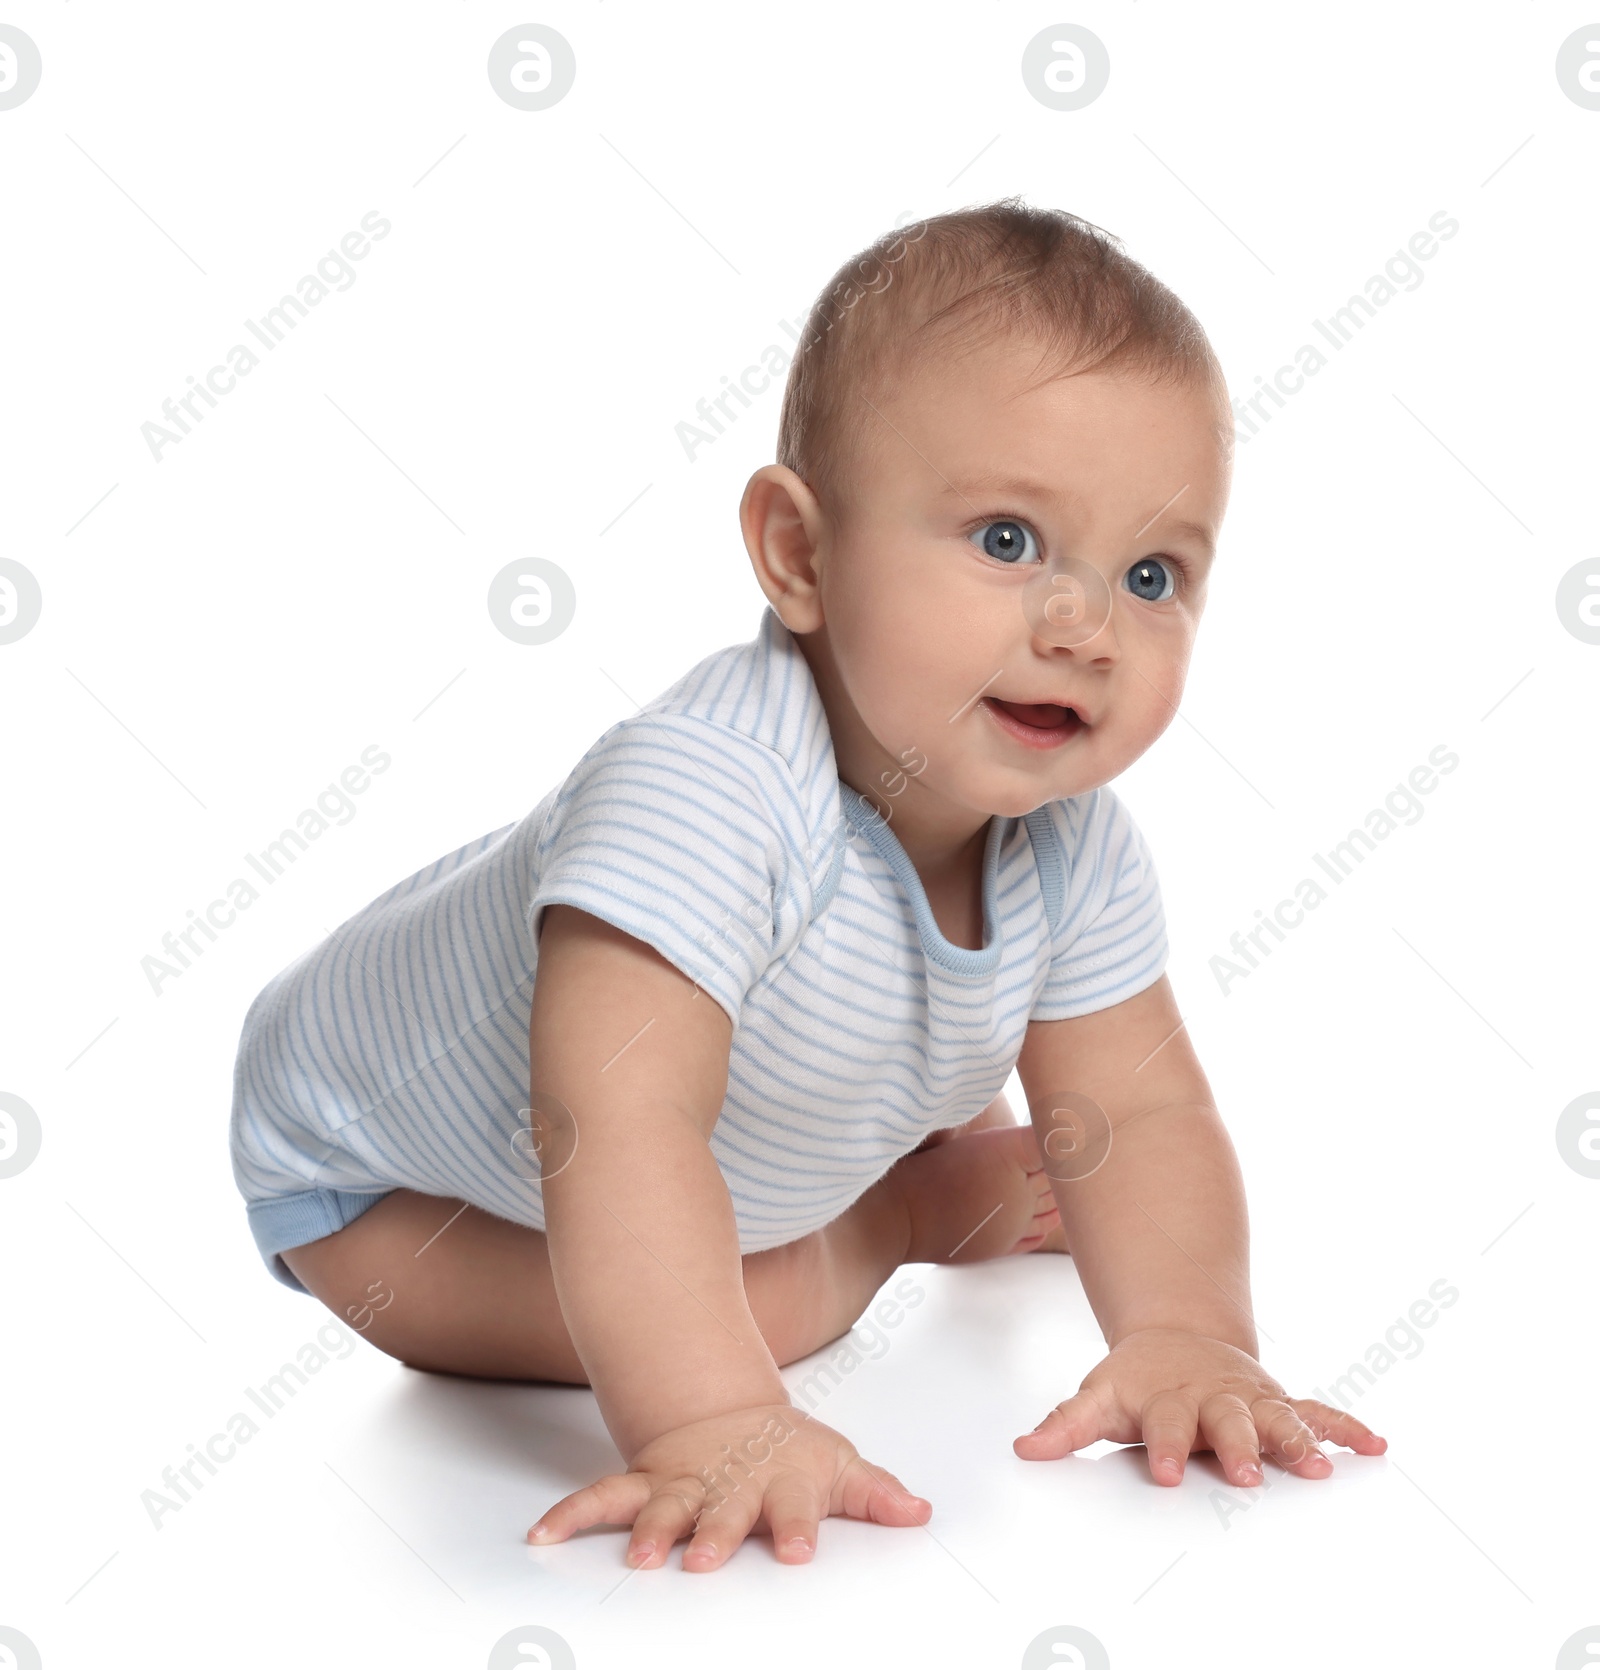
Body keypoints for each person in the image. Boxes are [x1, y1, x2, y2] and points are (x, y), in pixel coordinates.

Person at [229, 197, 1385, 1574]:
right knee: (764, 1302)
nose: (1083, 628)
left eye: (1151, 574)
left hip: (725, 1113)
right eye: (1008, 539)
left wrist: (1190, 1335)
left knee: (993, 1078)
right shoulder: (708, 792)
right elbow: (610, 1122)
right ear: (799, 555)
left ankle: (894, 1170)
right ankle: (888, 1213)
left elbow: (1133, 1107)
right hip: (393, 1197)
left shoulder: (1079, 846)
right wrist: (717, 1417)